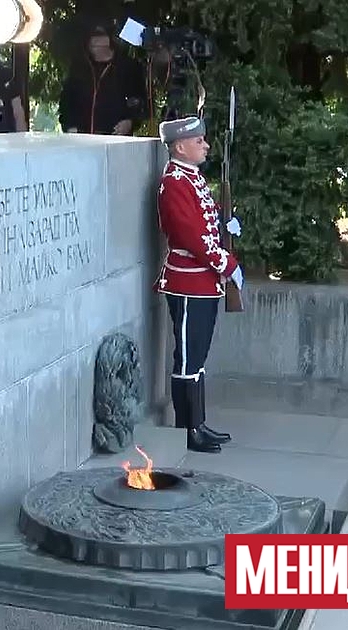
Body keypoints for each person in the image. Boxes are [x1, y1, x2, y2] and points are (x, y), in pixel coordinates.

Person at [154, 115, 243, 453]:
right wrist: (227, 263)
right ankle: (187, 431)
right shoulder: (175, 182)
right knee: (188, 359)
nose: (205, 145)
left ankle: (199, 423)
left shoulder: (191, 178)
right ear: (180, 146)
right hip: (187, 281)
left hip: (203, 282)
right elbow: (191, 236)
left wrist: (225, 222)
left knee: (199, 357)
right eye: (199, 141)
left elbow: (206, 221)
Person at [57, 24, 147, 135]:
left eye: (99, 35)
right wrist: (69, 126)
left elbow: (139, 100)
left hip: (116, 140)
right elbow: (66, 102)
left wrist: (130, 122)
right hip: (82, 139)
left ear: (108, 39)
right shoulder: (79, 68)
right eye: (91, 36)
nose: (94, 41)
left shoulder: (129, 66)